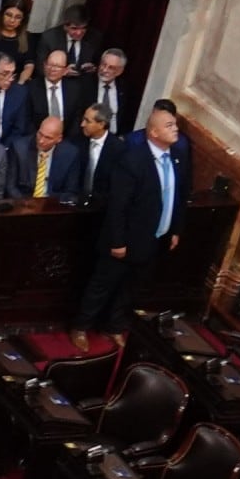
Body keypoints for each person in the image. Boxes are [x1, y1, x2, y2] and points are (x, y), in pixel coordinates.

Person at [80, 102, 191, 330]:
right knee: (102, 285)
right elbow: (118, 205)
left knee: (130, 287)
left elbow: (179, 196)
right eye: (169, 125)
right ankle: (82, 325)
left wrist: (175, 230)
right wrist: (118, 241)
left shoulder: (179, 156)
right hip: (124, 241)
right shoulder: (132, 159)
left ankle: (115, 326)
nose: (175, 129)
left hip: (154, 238)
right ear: (154, 132)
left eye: (175, 124)